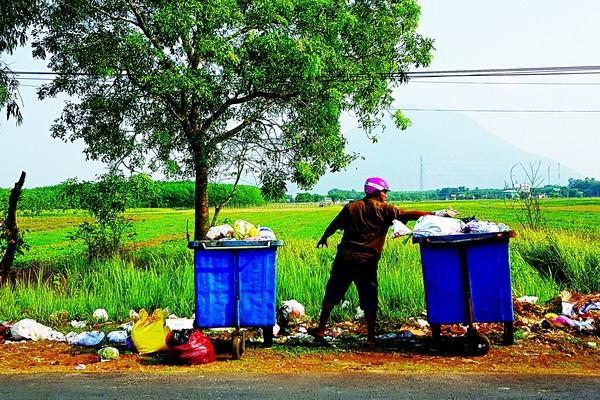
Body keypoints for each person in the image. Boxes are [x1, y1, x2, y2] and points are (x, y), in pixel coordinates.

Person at [309, 177, 459, 345]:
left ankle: (321, 329)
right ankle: (370, 338)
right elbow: (408, 215)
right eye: (385, 192)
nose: (386, 196)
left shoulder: (351, 207)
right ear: (377, 192)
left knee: (333, 292)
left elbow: (334, 224)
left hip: (345, 258)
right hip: (367, 262)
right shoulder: (385, 210)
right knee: (369, 297)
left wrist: (324, 237)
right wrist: (436, 214)